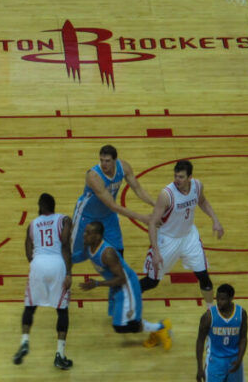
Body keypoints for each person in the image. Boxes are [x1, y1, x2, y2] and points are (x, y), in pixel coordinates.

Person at [140, 159, 223, 308]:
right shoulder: (166, 194)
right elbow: (152, 223)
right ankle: (125, 296)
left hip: (189, 237)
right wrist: (156, 252)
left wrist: (215, 220)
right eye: (175, 176)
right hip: (168, 239)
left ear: (190, 177)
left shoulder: (197, 186)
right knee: (152, 282)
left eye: (181, 177)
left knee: (203, 276)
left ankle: (211, 311)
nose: (177, 180)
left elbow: (202, 201)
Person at [80, 220, 171, 348]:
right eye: (85, 232)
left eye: (88, 233)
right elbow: (77, 256)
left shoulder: (107, 253)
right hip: (116, 286)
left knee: (126, 325)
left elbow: (122, 278)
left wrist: (97, 284)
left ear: (98, 236)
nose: (84, 235)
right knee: (118, 322)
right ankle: (156, 329)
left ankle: (161, 328)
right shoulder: (89, 247)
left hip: (126, 285)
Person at [14, 193, 74, 369]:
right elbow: (64, 245)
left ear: (40, 207)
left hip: (38, 264)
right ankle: (59, 355)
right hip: (57, 264)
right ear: (54, 206)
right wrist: (69, 272)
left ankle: (25, 340)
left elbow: (28, 251)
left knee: (30, 307)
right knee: (62, 311)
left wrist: (36, 267)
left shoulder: (32, 224)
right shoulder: (64, 219)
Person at [70, 144, 152, 265]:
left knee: (118, 254)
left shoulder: (124, 167)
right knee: (71, 254)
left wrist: (155, 204)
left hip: (108, 217)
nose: (104, 164)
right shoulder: (94, 176)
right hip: (86, 217)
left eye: (107, 161)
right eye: (102, 160)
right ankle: (59, 277)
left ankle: (119, 282)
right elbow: (113, 206)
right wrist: (141, 217)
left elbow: (138, 189)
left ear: (115, 160)